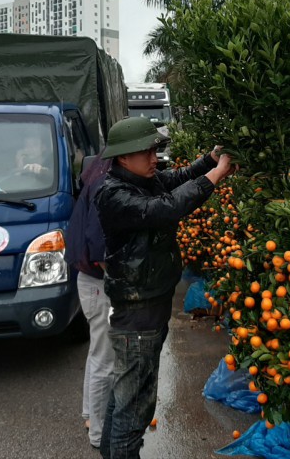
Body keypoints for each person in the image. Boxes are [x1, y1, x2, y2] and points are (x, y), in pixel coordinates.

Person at [93, 116, 234, 459]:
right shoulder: (115, 194)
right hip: (136, 317)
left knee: (126, 396)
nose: (154, 158)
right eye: (146, 152)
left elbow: (176, 180)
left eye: (155, 150)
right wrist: (216, 176)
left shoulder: (143, 180)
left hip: (146, 308)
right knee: (134, 408)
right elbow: (166, 209)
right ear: (124, 157)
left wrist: (209, 160)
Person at [66, 154, 115, 451]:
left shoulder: (97, 174)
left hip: (89, 281)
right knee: (105, 361)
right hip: (98, 283)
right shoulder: (106, 187)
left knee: (97, 353)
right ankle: (98, 433)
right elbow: (99, 248)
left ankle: (89, 414)